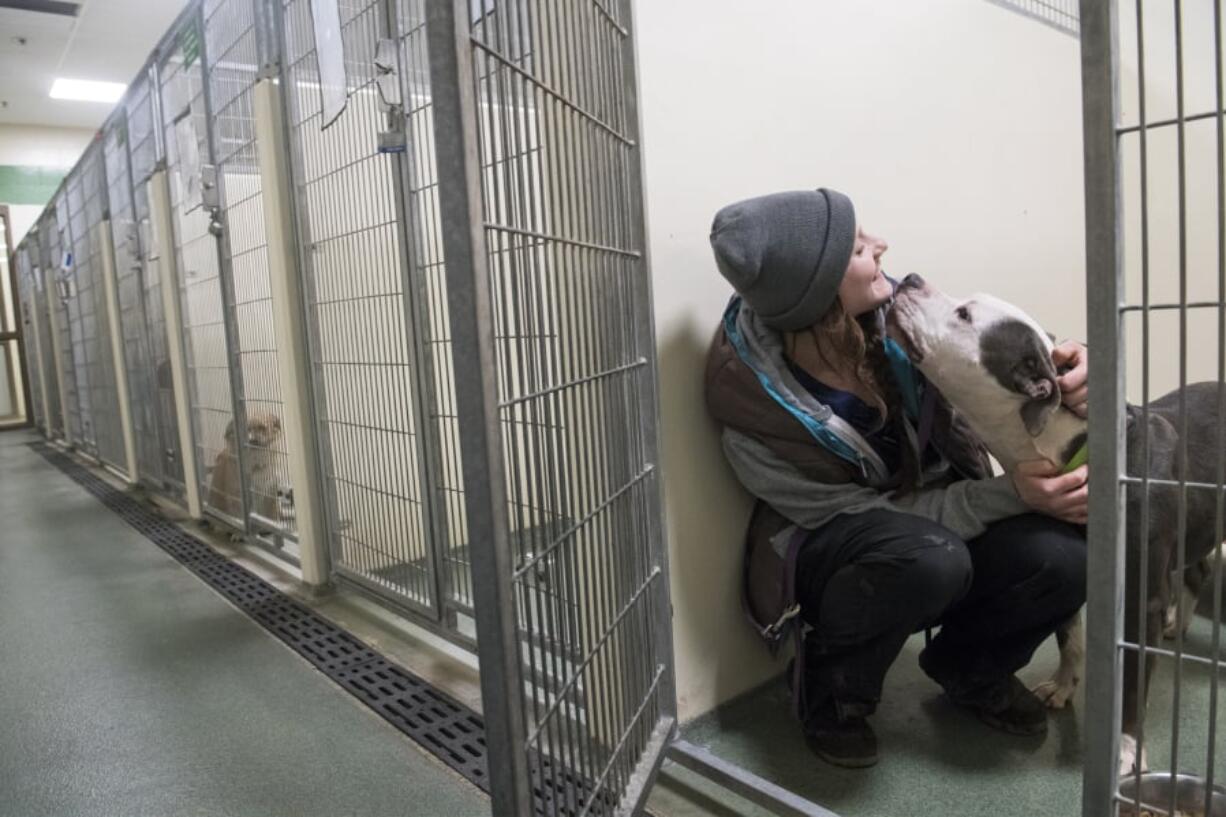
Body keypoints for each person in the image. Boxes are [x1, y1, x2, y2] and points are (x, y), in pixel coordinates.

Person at [704, 188, 1089, 769]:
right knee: (930, 557)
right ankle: (831, 694)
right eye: (859, 246)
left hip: (942, 515)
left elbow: (1010, 360)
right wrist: (1011, 493)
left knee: (1067, 555)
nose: (881, 243)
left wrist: (1076, 367)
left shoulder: (897, 317)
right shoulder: (750, 412)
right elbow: (867, 517)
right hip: (836, 547)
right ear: (818, 290)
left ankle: (969, 669)